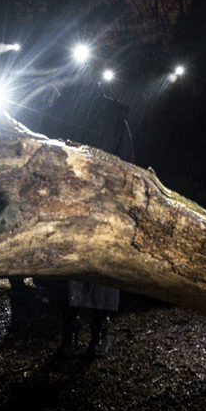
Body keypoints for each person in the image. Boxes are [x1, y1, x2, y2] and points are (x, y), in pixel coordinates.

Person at [44, 81, 134, 357]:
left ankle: (80, 334)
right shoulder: (113, 115)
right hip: (96, 201)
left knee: (79, 268)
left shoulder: (63, 109)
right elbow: (128, 161)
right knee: (93, 268)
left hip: (79, 200)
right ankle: (92, 334)